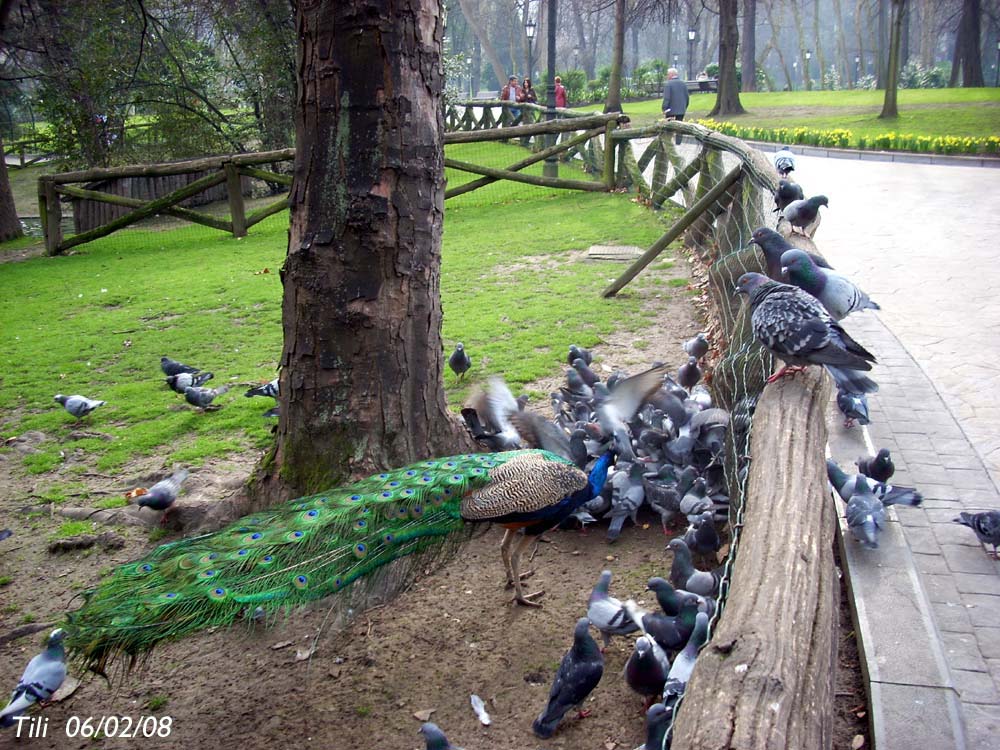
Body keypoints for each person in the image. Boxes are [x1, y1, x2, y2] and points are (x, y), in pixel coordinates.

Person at [661, 67, 690, 145]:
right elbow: (687, 97)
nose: (667, 76)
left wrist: (664, 108)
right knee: (679, 126)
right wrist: (684, 107)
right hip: (681, 109)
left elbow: (667, 98)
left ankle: (668, 141)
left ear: (671, 74)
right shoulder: (683, 83)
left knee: (669, 126)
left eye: (668, 74)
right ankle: (678, 142)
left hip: (670, 110)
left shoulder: (668, 84)